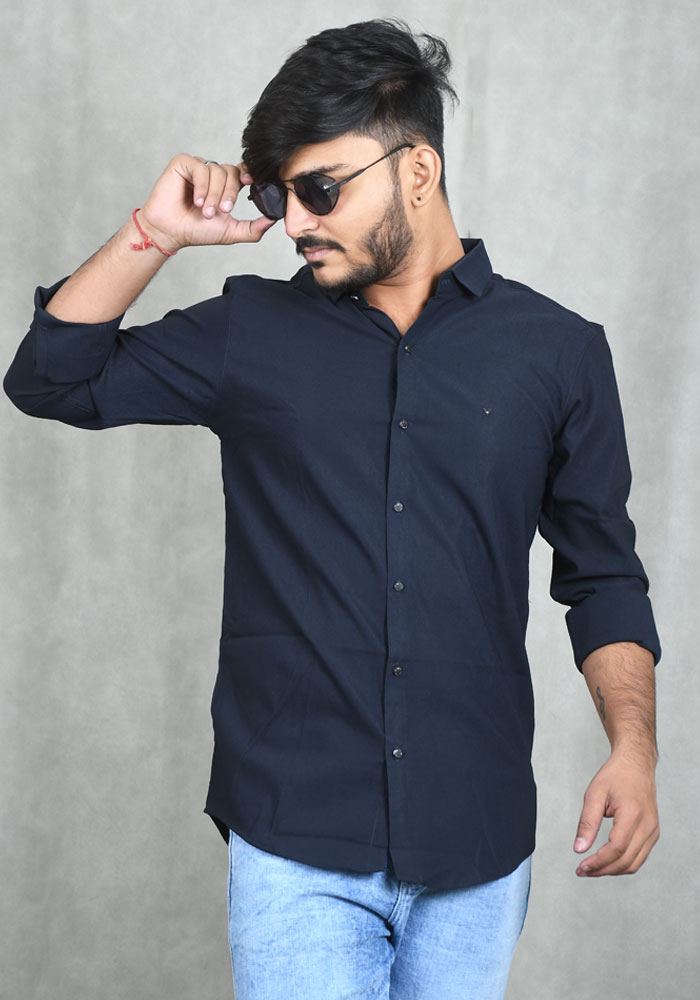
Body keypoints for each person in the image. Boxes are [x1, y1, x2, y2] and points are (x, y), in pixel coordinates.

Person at [3, 17, 661, 1000]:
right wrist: (155, 235)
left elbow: (602, 575)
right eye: (279, 195)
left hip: (476, 840)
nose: (295, 222)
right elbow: (49, 378)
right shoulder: (250, 332)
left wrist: (633, 749)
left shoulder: (558, 352)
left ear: (419, 171)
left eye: (320, 190)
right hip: (295, 834)